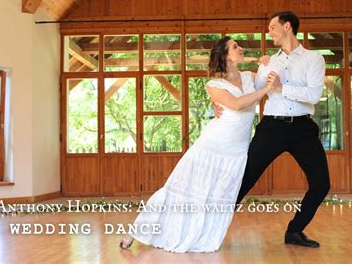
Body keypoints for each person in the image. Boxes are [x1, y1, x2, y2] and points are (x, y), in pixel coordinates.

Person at [119, 36, 278, 253]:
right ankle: (135, 231)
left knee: (217, 197)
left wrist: (267, 64)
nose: (240, 48)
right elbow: (237, 104)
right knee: (177, 190)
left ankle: (199, 236)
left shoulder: (249, 77)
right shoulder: (214, 85)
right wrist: (266, 89)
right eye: (235, 46)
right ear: (224, 55)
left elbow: (268, 78)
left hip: (236, 152)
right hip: (210, 147)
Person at [231, 11, 331, 248]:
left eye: (272, 27)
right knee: (243, 179)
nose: (269, 32)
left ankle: (295, 231)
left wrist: (281, 88)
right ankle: (210, 225)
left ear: (287, 27)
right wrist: (222, 105)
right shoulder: (268, 62)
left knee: (321, 184)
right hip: (271, 127)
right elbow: (252, 94)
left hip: (303, 129)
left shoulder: (314, 59)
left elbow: (314, 95)